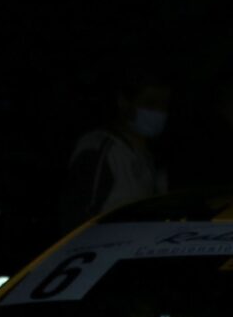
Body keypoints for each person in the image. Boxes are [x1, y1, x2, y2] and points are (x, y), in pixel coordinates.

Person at [66, 72, 172, 217]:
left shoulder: (151, 158)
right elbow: (77, 215)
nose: (159, 112)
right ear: (124, 103)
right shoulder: (101, 149)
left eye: (164, 105)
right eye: (150, 103)